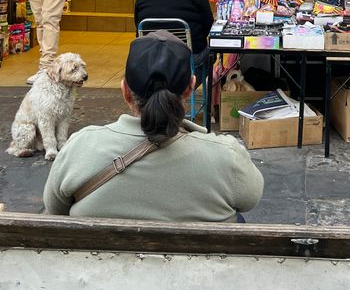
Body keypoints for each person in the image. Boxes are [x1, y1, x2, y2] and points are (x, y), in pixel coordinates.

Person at [43, 31, 264, 220]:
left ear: (125, 90)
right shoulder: (226, 155)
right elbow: (250, 198)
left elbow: (55, 210)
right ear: (190, 88)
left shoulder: (79, 147)